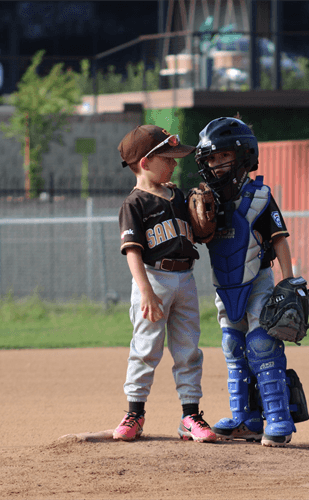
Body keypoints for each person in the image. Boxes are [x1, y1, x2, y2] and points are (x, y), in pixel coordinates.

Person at [194, 116, 298, 447]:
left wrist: (289, 281)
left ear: (243, 156)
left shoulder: (260, 196)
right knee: (232, 347)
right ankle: (245, 419)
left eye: (222, 156)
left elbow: (280, 239)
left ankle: (279, 418)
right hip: (224, 286)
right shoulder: (207, 201)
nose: (215, 164)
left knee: (261, 345)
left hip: (260, 281)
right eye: (210, 158)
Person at [115, 125, 217, 443]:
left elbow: (201, 233)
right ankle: (134, 414)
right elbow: (133, 250)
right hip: (153, 279)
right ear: (145, 163)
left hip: (185, 277)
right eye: (167, 158)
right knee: (146, 349)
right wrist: (145, 290)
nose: (174, 164)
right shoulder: (134, 204)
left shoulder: (178, 196)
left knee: (188, 350)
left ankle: (190, 416)